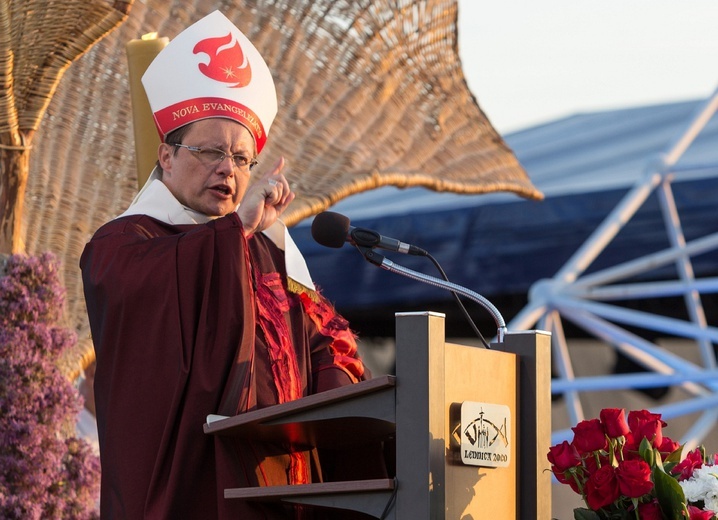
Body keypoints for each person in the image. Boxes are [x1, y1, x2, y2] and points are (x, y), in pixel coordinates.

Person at [81, 11, 379, 519]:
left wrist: (352, 404)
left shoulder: (267, 250)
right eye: (210, 151)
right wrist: (233, 232)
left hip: (285, 489)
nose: (228, 168)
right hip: (198, 492)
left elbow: (324, 345)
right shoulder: (123, 243)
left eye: (242, 159)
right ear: (167, 157)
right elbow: (150, 312)